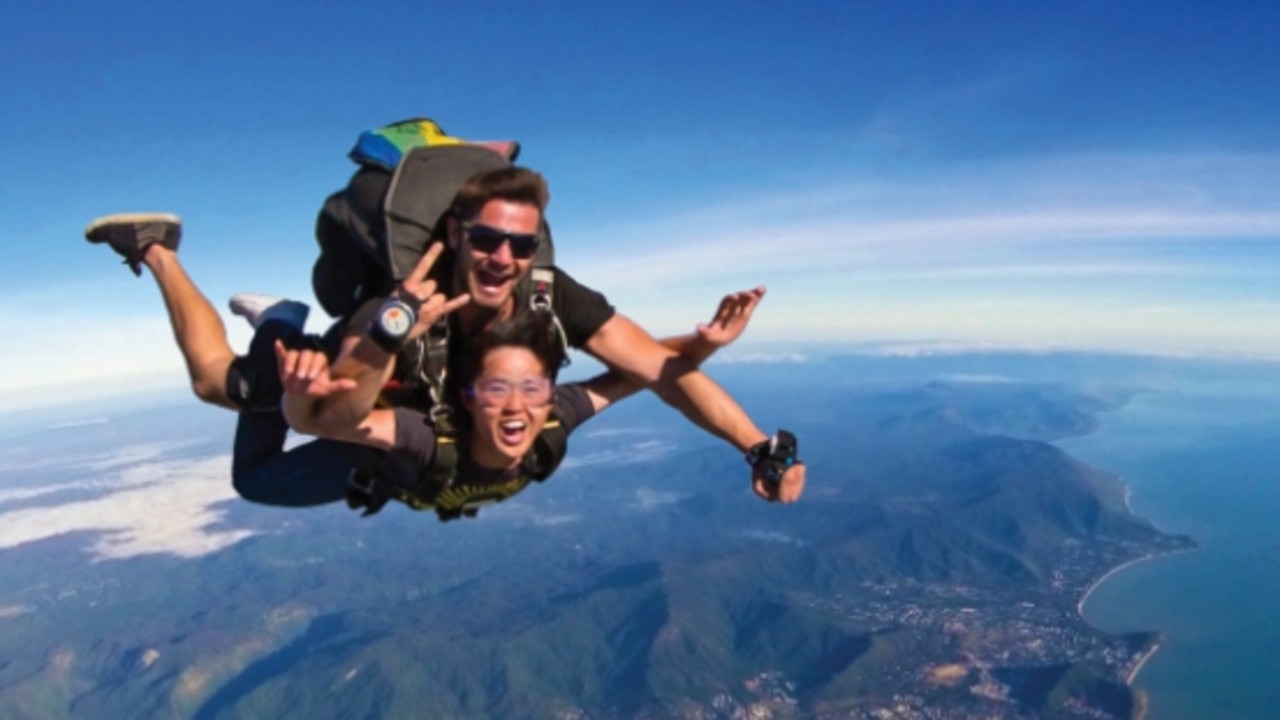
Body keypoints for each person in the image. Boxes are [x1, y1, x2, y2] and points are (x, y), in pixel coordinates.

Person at [311, 166, 806, 503]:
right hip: (388, 452)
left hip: (459, 459)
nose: (504, 258)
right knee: (256, 459)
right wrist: (386, 334)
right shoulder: (405, 302)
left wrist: (757, 446)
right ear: (457, 235)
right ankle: (277, 323)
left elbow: (658, 371)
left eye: (522, 244)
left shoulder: (551, 294)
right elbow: (331, 414)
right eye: (486, 239)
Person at [278, 288, 781, 519]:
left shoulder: (556, 414)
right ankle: (277, 323)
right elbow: (328, 425)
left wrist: (707, 344)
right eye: (498, 390)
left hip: (416, 489)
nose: (519, 407)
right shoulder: (427, 436)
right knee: (252, 472)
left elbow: (644, 371)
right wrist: (298, 398)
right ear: (470, 400)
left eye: (533, 390)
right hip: (368, 469)